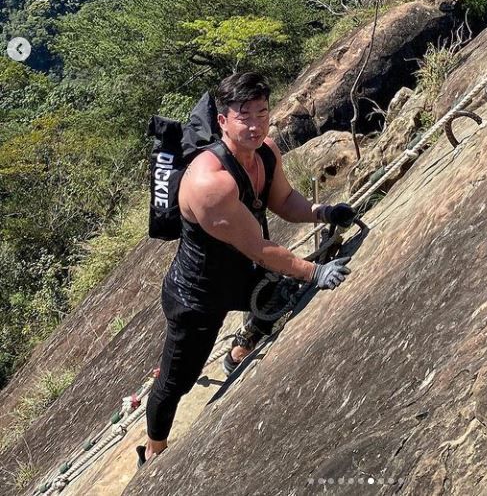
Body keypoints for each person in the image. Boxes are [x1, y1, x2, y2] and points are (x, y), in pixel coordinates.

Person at [138, 72, 356, 466]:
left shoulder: (266, 152)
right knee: (175, 383)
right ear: (222, 121)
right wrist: (312, 272)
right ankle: (154, 451)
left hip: (243, 273)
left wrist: (323, 212)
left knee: (275, 297)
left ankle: (239, 351)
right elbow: (258, 245)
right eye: (244, 115)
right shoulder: (210, 182)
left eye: (262, 112)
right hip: (197, 295)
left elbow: (284, 199)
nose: (256, 124)